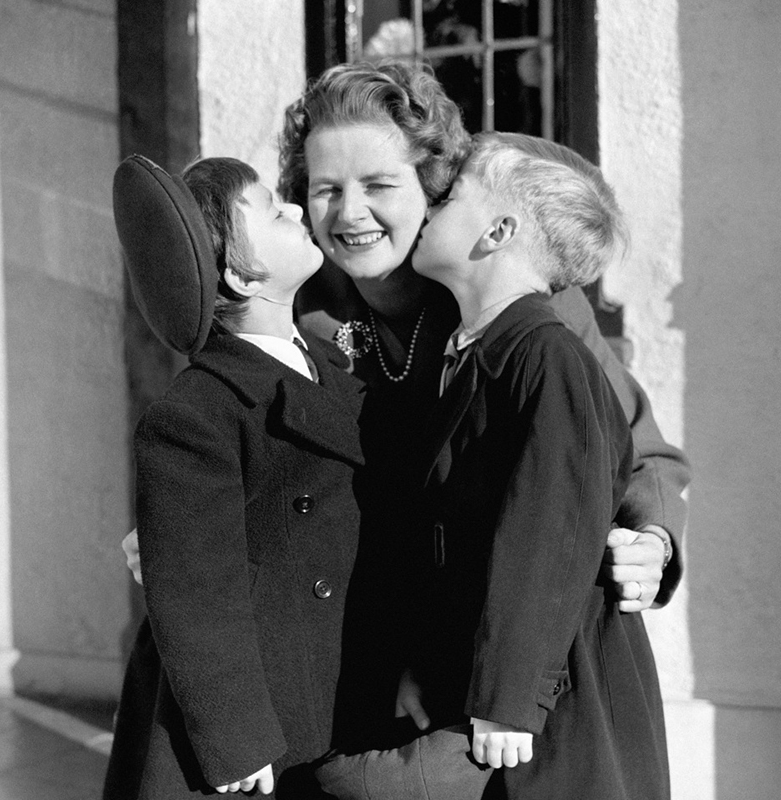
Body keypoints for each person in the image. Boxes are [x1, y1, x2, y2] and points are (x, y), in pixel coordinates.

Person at [120, 57, 688, 760]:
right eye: (326, 189)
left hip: (497, 666)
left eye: (380, 185)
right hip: (354, 660)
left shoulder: (514, 300)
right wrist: (178, 528)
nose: (349, 213)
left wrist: (652, 541)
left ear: (434, 188)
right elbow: (222, 438)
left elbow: (634, 448)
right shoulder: (295, 303)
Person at [409, 132, 669, 798]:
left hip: (552, 711)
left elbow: (549, 524)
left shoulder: (547, 358)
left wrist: (509, 693)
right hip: (510, 703)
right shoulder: (477, 352)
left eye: (452, 196)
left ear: (496, 231)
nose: (429, 205)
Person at [103, 156, 365, 799]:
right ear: (240, 274)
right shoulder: (195, 413)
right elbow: (198, 591)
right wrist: (236, 738)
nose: (299, 209)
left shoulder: (332, 367)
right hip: (250, 729)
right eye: (275, 209)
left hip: (336, 687)